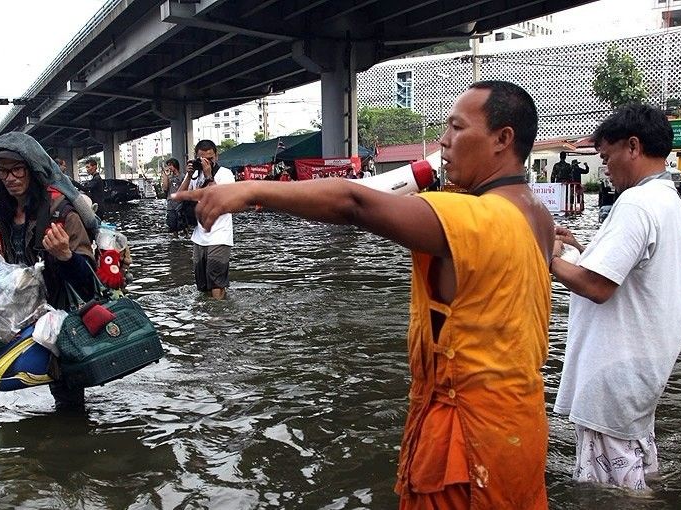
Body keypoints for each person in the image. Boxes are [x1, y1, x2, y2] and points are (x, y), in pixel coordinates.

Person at [175, 81, 555, 509]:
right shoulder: (537, 213)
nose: (445, 141)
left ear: (503, 139)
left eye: (457, 128)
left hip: (465, 446)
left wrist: (250, 191)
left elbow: (354, 202)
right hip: (519, 431)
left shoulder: (476, 215)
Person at [549, 103, 681, 490]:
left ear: (633, 146)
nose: (605, 168)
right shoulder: (668, 200)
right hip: (641, 365)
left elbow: (597, 286)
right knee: (638, 467)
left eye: (607, 157)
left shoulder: (635, 203)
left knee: (612, 491)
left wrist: (542, 256)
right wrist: (577, 247)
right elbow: (626, 271)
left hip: (613, 373)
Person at [0, 132, 100, 410]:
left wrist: (65, 256)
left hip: (65, 317)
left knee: (68, 394)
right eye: (3, 171)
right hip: (31, 316)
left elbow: (89, 284)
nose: (10, 177)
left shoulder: (62, 213)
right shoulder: (4, 215)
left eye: (17, 169)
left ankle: (73, 443)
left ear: (33, 170)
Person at [185, 140, 235, 300]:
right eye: (202, 159)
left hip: (220, 235)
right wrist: (188, 175)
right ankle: (207, 317)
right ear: (196, 158)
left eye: (210, 158)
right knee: (202, 284)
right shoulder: (195, 175)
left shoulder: (225, 174)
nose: (207, 162)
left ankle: (218, 319)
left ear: (217, 156)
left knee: (216, 281)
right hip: (199, 237)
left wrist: (208, 175)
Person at [160, 158, 189, 237]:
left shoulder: (183, 176)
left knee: (182, 222)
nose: (169, 167)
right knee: (172, 223)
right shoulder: (169, 177)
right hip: (171, 203)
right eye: (168, 165)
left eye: (170, 165)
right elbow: (165, 188)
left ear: (175, 165)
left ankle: (186, 234)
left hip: (180, 203)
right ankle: (175, 237)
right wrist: (165, 175)